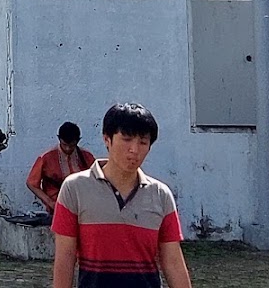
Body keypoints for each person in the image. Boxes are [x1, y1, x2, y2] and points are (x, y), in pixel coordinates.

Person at [52, 102, 192, 288]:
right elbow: (65, 259)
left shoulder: (161, 195)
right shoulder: (75, 188)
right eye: (126, 139)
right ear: (107, 139)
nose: (134, 149)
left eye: (143, 142)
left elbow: (173, 261)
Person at [27, 121, 95, 216]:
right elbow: (31, 183)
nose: (67, 149)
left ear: (78, 141)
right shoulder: (46, 157)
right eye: (64, 144)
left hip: (83, 208)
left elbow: (96, 181)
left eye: (71, 145)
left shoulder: (87, 156)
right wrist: (49, 202)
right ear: (59, 139)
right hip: (56, 208)